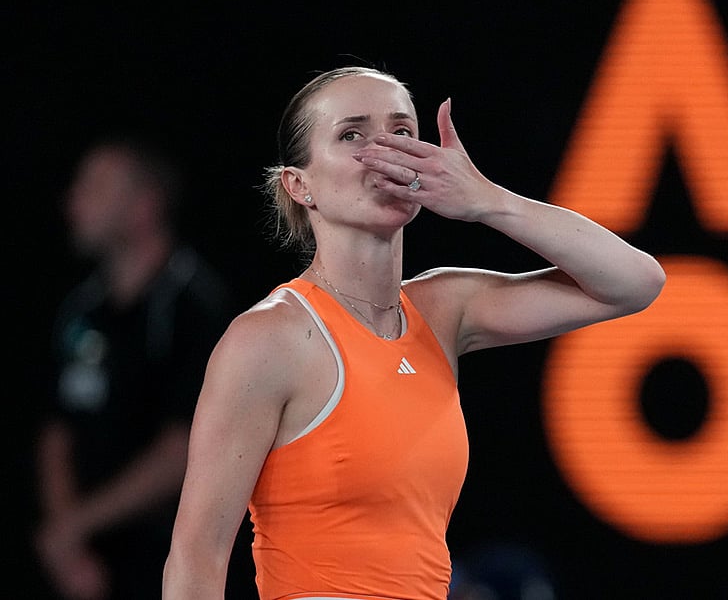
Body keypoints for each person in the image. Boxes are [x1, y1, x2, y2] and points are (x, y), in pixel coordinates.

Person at [162, 66, 665, 600]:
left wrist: (488, 200)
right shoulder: (270, 337)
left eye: (401, 132)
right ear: (299, 185)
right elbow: (198, 554)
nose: (386, 151)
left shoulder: (445, 308)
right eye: (352, 134)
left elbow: (635, 282)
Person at [34, 134, 237, 599]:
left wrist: (75, 525)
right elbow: (57, 433)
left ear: (143, 206)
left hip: (174, 558)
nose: (73, 200)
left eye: (95, 187)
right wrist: (68, 542)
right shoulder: (80, 310)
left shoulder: (197, 306)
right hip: (88, 565)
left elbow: (187, 445)